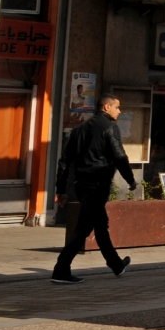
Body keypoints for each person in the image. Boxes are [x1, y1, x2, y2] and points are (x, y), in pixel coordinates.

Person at [52, 93, 136, 284]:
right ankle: (61, 269)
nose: (120, 111)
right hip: (98, 185)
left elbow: (65, 161)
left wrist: (61, 188)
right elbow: (119, 157)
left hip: (80, 185)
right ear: (106, 107)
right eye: (117, 107)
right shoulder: (110, 128)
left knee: (100, 224)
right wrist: (130, 180)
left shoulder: (79, 129)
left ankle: (116, 265)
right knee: (84, 228)